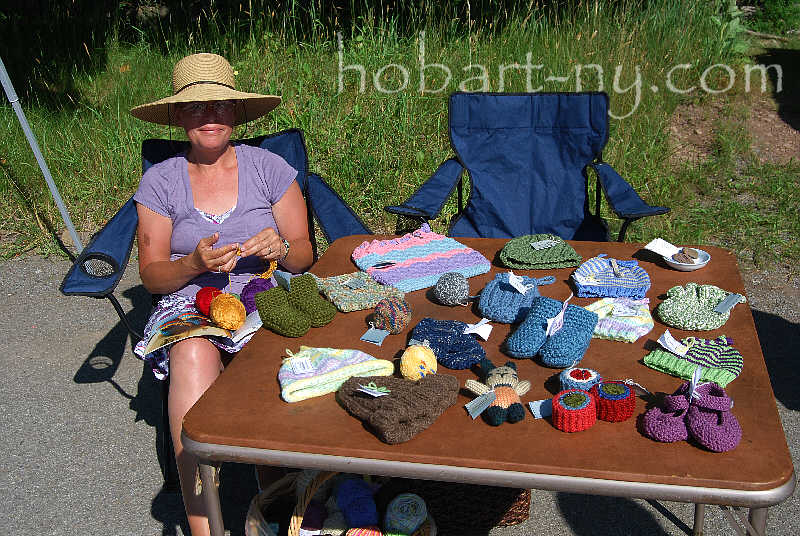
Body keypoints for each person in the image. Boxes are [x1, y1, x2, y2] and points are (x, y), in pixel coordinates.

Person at [129, 53, 313, 535]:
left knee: (270, 353)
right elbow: (151, 275)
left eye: (219, 107)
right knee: (190, 352)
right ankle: (204, 525)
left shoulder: (269, 168)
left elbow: (304, 256)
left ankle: (278, 503)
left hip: (262, 294)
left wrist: (280, 248)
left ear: (235, 114)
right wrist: (193, 264)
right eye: (195, 108)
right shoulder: (161, 180)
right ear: (177, 117)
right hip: (189, 297)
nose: (209, 117)